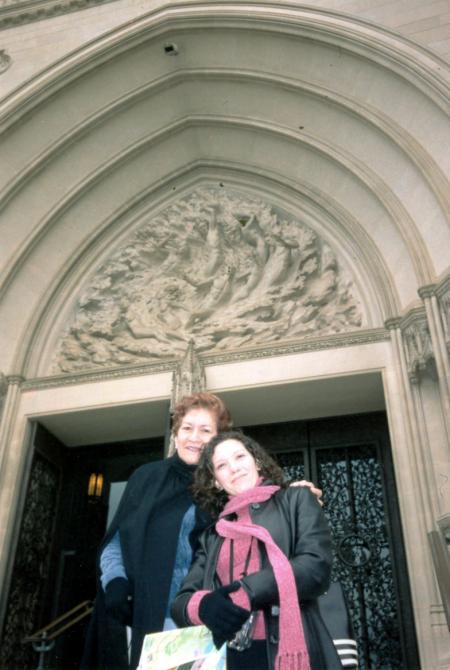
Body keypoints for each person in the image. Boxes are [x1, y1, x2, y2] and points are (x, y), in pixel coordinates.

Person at [81, 392, 322, 670]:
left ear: (218, 438)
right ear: (175, 434)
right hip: (148, 617)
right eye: (187, 428)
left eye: (205, 430)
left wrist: (294, 493)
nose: (194, 437)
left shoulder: (226, 485)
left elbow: (262, 503)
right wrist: (115, 582)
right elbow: (118, 540)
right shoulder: (146, 478)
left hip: (214, 621)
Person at [171, 431, 341, 670]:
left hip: (289, 652)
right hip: (228, 657)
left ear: (256, 460)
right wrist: (205, 606)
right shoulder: (212, 535)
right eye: (222, 465)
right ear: (216, 481)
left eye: (240, 456)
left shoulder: (297, 499)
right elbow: (181, 603)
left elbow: (315, 568)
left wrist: (246, 592)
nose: (234, 468)